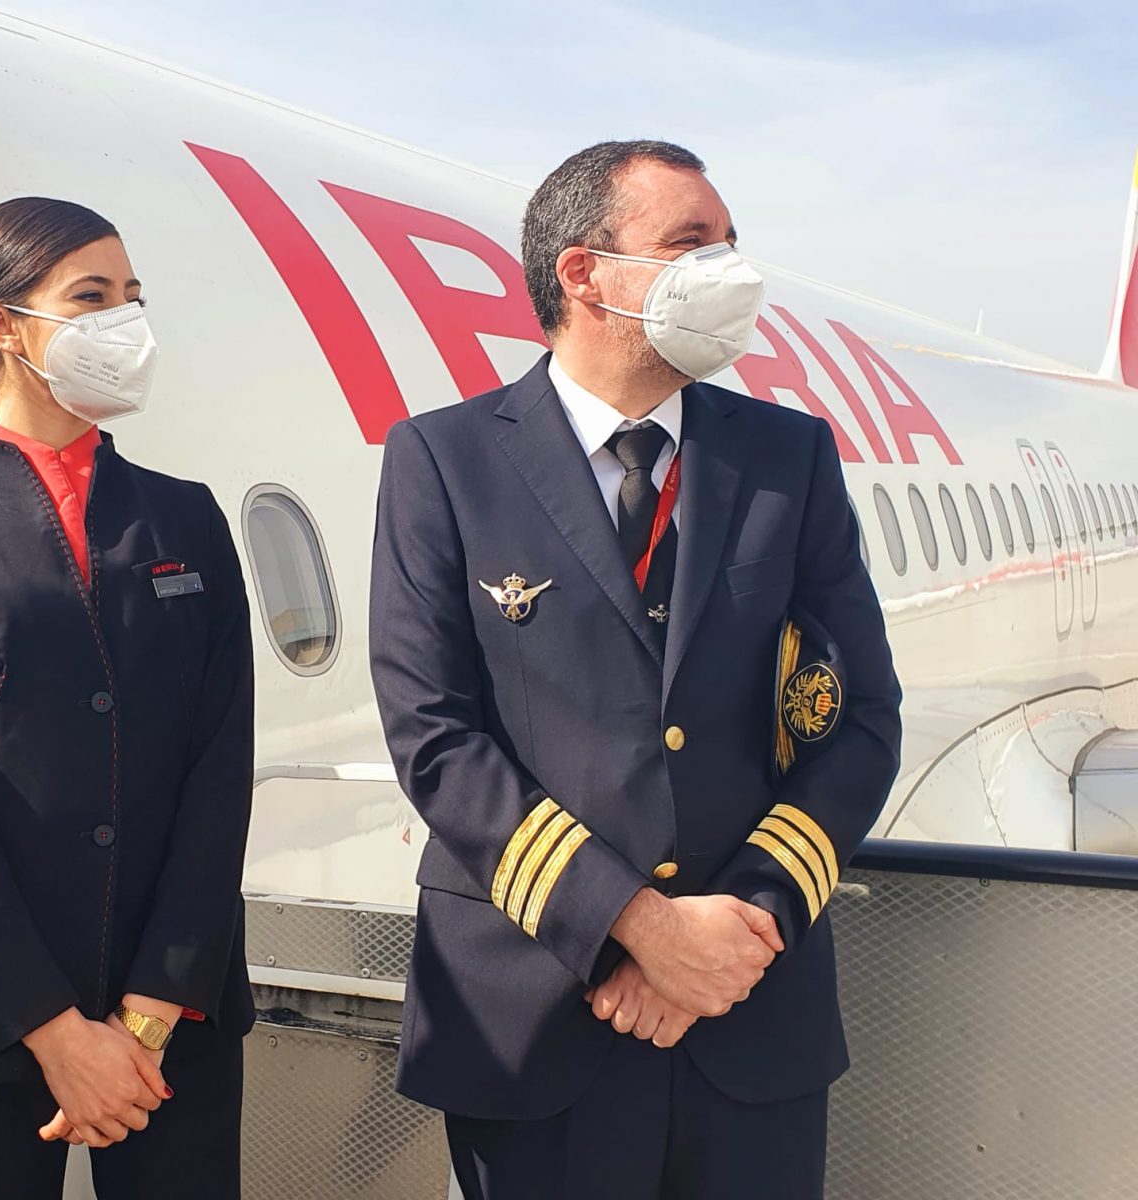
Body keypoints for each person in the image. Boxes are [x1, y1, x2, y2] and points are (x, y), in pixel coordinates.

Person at [368, 141, 902, 1198]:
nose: (730, 270)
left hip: (747, 1007)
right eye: (690, 243)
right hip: (533, 1013)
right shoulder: (444, 460)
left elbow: (858, 717)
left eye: (731, 242)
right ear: (583, 273)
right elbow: (434, 737)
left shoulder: (786, 458)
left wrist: (735, 932)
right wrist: (639, 928)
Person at [0, 197, 254, 1200]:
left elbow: (218, 770)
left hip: (173, 1014)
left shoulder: (186, 518)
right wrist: (55, 1031)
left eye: (132, 297)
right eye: (92, 297)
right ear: (3, 325)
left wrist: (148, 1015)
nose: (125, 321)